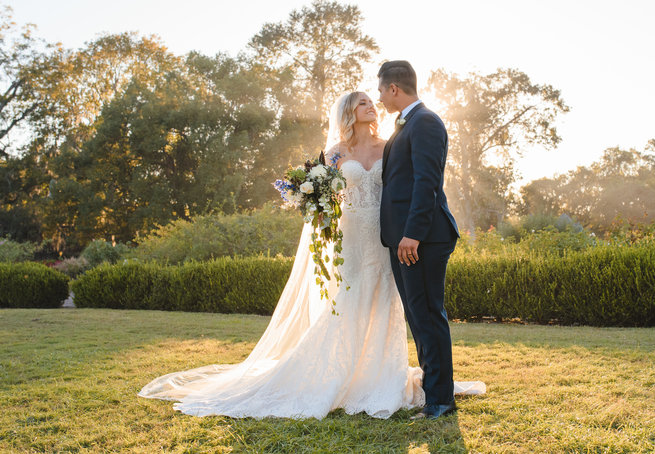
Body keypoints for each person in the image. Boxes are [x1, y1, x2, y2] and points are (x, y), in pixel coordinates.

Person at [137, 90, 484, 420]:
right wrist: (315, 206)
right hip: (349, 237)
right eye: (363, 103)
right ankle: (341, 375)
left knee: (385, 304)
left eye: (371, 102)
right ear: (349, 112)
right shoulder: (334, 152)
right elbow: (318, 196)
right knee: (349, 302)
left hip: (383, 238)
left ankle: (381, 376)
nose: (371, 106)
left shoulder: (388, 147)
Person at [377, 60, 462, 419]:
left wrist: (412, 234)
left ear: (394, 89)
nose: (380, 96)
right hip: (408, 239)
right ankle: (434, 394)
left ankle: (441, 400)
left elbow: (427, 183)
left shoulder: (425, 122)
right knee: (418, 316)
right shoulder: (408, 124)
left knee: (427, 314)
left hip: (422, 239)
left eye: (381, 90)